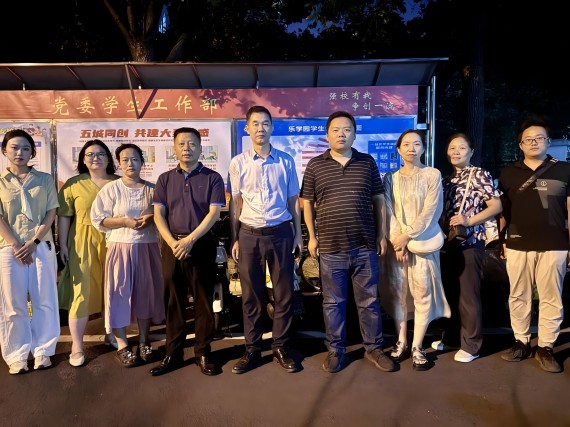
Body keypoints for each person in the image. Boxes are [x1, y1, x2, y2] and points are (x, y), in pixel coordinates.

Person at [300, 111, 396, 374]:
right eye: (335, 130)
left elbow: (379, 200)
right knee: (333, 303)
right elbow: (307, 203)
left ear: (354, 134)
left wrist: (381, 234)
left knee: (369, 301)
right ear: (327, 134)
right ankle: (335, 350)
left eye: (346, 129)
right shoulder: (315, 165)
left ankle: (374, 348)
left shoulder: (367, 162)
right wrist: (312, 237)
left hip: (365, 245)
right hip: (331, 247)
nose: (341, 134)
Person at [228, 105, 303, 374]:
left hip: (281, 233)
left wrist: (298, 234)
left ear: (272, 128)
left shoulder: (286, 161)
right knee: (251, 296)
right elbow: (235, 204)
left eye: (266, 124)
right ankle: (252, 349)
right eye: (256, 124)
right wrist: (235, 238)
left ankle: (280, 346)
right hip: (249, 235)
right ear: (247, 128)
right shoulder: (238, 163)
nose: (261, 129)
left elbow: (293, 200)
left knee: (284, 294)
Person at [150, 127, 226, 376]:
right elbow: (158, 215)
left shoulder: (213, 178)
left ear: (201, 148)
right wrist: (173, 242)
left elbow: (214, 214)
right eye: (181, 144)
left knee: (203, 300)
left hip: (201, 244)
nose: (187, 148)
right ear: (174, 148)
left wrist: (190, 240)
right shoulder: (165, 179)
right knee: (174, 301)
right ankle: (173, 353)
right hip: (172, 245)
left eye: (192, 144)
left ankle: (203, 352)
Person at [498, 117, 570, 373]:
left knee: (551, 297)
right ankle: (521, 341)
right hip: (517, 243)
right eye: (528, 139)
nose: (534, 142)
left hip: (555, 243)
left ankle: (546, 346)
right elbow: (504, 211)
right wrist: (501, 240)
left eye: (539, 138)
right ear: (520, 145)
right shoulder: (508, 173)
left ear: (548, 142)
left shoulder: (564, 170)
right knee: (518, 294)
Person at [90, 143, 165, 367]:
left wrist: (150, 218)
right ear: (119, 164)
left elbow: (162, 215)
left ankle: (143, 341)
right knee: (118, 294)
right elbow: (99, 219)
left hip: (148, 247)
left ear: (142, 162)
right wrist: (124, 221)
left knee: (145, 294)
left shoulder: (153, 189)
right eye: (125, 160)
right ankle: (122, 344)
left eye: (134, 159)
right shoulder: (111, 189)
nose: (130, 164)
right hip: (119, 247)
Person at [382, 129, 450, 371]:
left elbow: (431, 211)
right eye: (406, 144)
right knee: (398, 294)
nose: (411, 148)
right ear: (398, 149)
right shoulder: (390, 178)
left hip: (423, 245)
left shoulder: (432, 174)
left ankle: (417, 346)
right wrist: (396, 241)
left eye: (417, 144)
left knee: (423, 294)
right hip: (397, 248)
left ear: (423, 148)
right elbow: (388, 211)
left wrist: (407, 237)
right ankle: (401, 341)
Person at [431, 133, 502, 363]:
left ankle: (472, 345)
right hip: (448, 243)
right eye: (452, 148)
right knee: (451, 292)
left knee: (468, 294)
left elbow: (496, 205)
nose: (456, 152)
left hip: (470, 242)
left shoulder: (479, 174)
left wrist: (469, 221)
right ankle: (452, 337)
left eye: (462, 148)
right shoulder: (445, 180)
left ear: (471, 152)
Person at [0, 130, 59, 374]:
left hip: (40, 246)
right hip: (9, 249)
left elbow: (51, 212)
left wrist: (34, 241)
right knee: (13, 303)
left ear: (32, 152)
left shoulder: (44, 179)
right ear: (4, 150)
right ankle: (17, 354)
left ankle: (43, 350)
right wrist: (16, 245)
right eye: (14, 147)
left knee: (44, 299)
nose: (20, 153)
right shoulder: (0, 181)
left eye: (26, 148)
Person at [57, 139, 120, 367]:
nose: (96, 158)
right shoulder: (74, 184)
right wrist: (63, 245)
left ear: (108, 158)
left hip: (114, 241)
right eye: (90, 154)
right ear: (83, 159)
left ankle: (111, 334)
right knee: (81, 292)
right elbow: (64, 216)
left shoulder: (119, 182)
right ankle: (77, 345)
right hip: (82, 241)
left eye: (101, 154)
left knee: (112, 289)